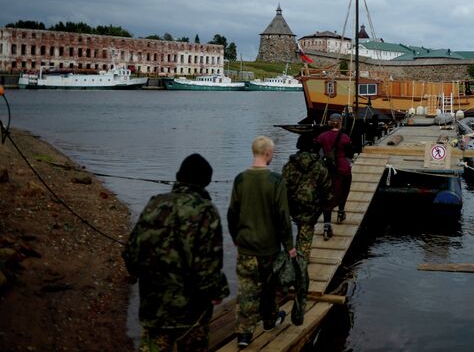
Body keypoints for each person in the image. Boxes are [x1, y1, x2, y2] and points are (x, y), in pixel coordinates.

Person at [122, 153, 229, 352]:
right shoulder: (206, 210)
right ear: (205, 182)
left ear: (179, 177)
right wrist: (217, 293)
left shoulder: (154, 203)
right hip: (191, 315)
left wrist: (143, 278)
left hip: (153, 310)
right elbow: (209, 266)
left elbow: (131, 254)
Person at [228, 136, 296, 348]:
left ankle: (244, 335)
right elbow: (283, 217)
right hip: (269, 247)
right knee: (269, 288)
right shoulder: (276, 181)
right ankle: (269, 321)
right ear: (267, 153)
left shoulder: (240, 179)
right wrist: (290, 246)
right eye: (272, 152)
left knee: (246, 290)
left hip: (246, 246)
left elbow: (232, 214)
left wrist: (236, 239)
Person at [281, 133, 333, 325]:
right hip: (311, 210)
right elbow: (327, 189)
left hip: (292, 208)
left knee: (290, 241)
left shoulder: (289, 165)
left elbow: (282, 187)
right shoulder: (319, 165)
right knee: (304, 242)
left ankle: (287, 275)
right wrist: (326, 205)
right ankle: (299, 277)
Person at [316, 113, 353, 239]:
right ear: (341, 123)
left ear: (329, 122)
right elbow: (350, 154)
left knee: (327, 195)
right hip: (343, 169)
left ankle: (326, 225)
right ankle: (341, 212)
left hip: (328, 170)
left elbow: (318, 152)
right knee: (343, 191)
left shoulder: (322, 136)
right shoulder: (345, 138)